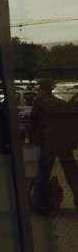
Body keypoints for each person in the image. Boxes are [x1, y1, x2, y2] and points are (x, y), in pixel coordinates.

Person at [30, 79, 78, 213]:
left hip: (48, 142)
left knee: (43, 173)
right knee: (71, 172)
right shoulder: (61, 103)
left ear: (43, 90)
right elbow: (70, 123)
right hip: (63, 142)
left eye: (39, 90)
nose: (38, 92)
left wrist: (34, 140)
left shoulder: (39, 104)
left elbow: (33, 124)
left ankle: (38, 203)